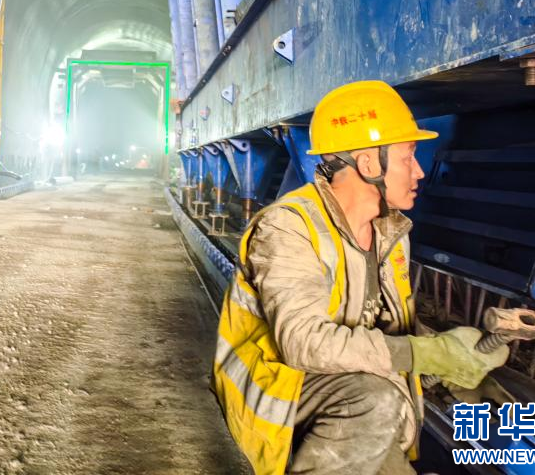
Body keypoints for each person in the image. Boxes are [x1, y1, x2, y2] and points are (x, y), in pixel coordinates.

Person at [213, 80, 509, 475]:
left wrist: (453, 366)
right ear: (369, 164)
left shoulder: (390, 233)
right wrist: (427, 354)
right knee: (376, 399)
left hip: (347, 391)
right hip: (276, 390)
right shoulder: (288, 227)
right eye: (408, 156)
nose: (420, 171)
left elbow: (385, 328)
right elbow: (304, 344)